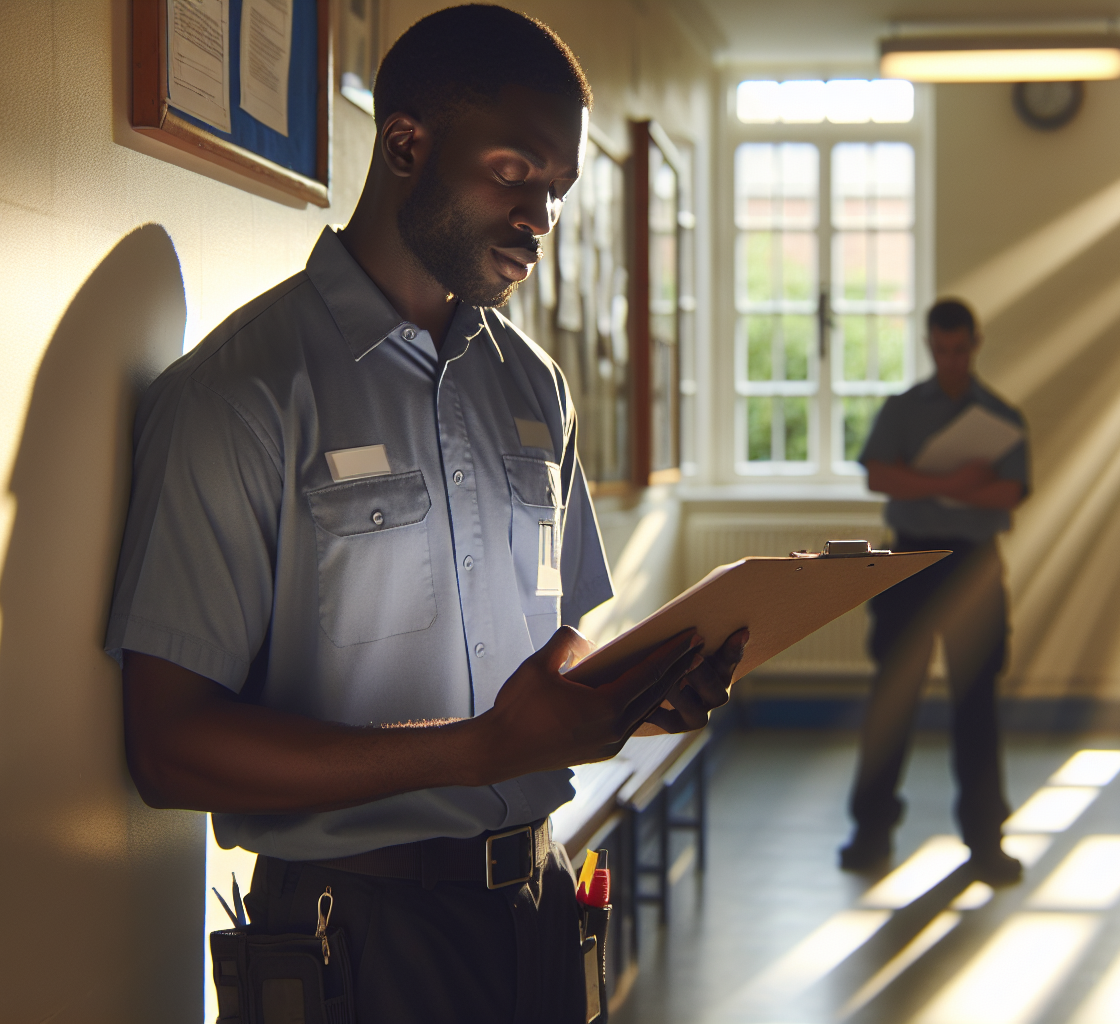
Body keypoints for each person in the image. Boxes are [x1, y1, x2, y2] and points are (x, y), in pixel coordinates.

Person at [104, 7, 745, 1019]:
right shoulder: (244, 392)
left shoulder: (537, 388)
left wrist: (628, 688)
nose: (540, 216)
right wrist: (478, 748)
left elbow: (556, 640)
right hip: (350, 936)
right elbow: (169, 748)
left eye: (556, 190)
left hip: (541, 906)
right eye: (512, 173)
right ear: (405, 144)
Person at [840, 298, 1030, 886]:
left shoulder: (1001, 416)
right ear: (929, 345)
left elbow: (1011, 493)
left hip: (974, 565)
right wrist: (954, 482)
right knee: (893, 695)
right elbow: (877, 474)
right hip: (910, 560)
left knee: (977, 704)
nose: (950, 360)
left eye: (960, 349)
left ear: (975, 344)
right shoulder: (902, 410)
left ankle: (984, 839)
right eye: (940, 349)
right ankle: (871, 831)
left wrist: (926, 486)